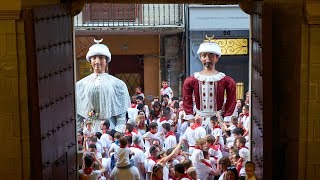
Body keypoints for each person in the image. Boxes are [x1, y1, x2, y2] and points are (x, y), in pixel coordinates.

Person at [76, 38, 131, 132]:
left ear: (106, 61)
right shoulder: (81, 84)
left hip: (110, 129)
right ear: (90, 61)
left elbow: (121, 114)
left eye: (101, 58)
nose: (97, 62)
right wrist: (79, 131)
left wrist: (117, 131)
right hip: (89, 129)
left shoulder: (118, 84)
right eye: (94, 58)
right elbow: (78, 112)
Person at [182, 35, 236, 122]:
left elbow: (231, 101)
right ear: (200, 57)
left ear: (217, 58)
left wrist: (227, 118)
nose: (207, 59)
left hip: (219, 120)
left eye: (211, 56)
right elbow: (187, 100)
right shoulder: (192, 80)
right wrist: (191, 119)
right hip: (198, 120)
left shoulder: (226, 80)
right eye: (204, 56)